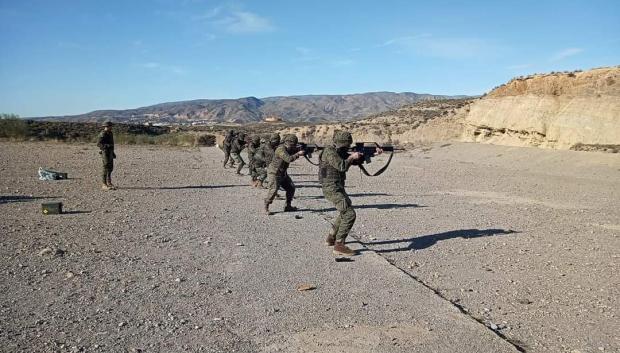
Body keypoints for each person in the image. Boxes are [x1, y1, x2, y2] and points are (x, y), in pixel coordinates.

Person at [318, 131, 367, 256]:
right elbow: (342, 166)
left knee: (343, 211)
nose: (347, 148)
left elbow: (350, 161)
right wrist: (352, 157)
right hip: (332, 188)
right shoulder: (330, 152)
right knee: (349, 214)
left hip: (337, 186)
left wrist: (369, 155)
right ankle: (339, 245)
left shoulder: (337, 151)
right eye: (346, 145)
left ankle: (331, 238)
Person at [264, 134, 304, 215]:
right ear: (289, 142)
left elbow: (292, 151)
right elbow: (288, 159)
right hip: (274, 173)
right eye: (293, 144)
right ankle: (266, 206)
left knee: (291, 188)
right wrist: (298, 154)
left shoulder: (288, 148)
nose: (294, 146)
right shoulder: (280, 149)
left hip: (282, 173)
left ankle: (288, 206)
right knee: (274, 190)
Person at [97, 121, 117, 190]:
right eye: (110, 126)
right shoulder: (103, 134)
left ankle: (109, 183)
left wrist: (113, 152)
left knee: (110, 168)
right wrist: (107, 146)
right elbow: (99, 144)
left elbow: (112, 144)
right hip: (105, 152)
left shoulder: (110, 133)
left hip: (110, 152)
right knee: (105, 167)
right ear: (106, 127)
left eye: (111, 126)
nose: (111, 127)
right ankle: (104, 184)